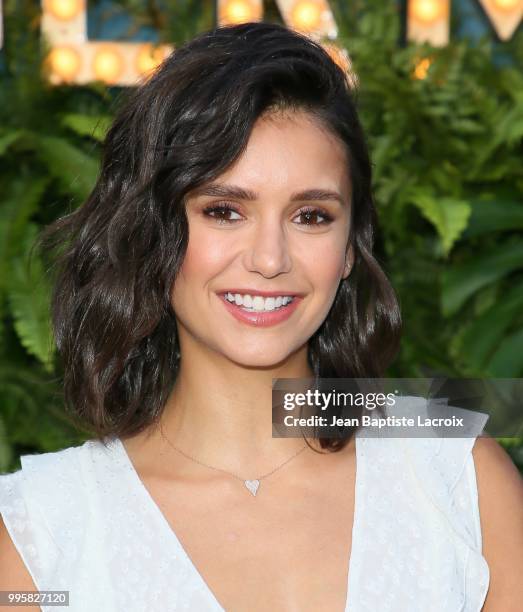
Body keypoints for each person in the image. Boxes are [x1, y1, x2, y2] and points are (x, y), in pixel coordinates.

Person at [1, 21, 522, 612]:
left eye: (312, 216)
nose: (270, 260)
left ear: (351, 247)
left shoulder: (456, 475)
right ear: (152, 233)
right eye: (224, 210)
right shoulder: (40, 537)